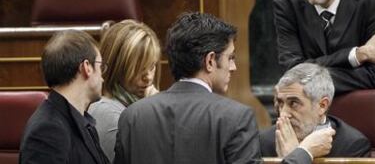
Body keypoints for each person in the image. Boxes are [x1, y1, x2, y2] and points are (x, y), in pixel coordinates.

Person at [113, 12, 261, 164]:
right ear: (210, 61)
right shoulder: (236, 117)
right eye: (230, 58)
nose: (233, 67)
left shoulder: (132, 117)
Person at [19, 30, 109, 164]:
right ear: (87, 68)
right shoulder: (47, 131)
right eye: (100, 66)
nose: (102, 78)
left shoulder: (81, 123)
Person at [260, 63, 371, 160]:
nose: (283, 113)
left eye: (293, 103)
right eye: (280, 103)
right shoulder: (263, 141)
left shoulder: (352, 145)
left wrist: (295, 157)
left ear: (322, 106)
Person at [88, 20, 161, 161]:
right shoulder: (109, 114)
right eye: (139, 68)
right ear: (118, 68)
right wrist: (153, 116)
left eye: (151, 66)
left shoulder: (133, 107)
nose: (148, 77)